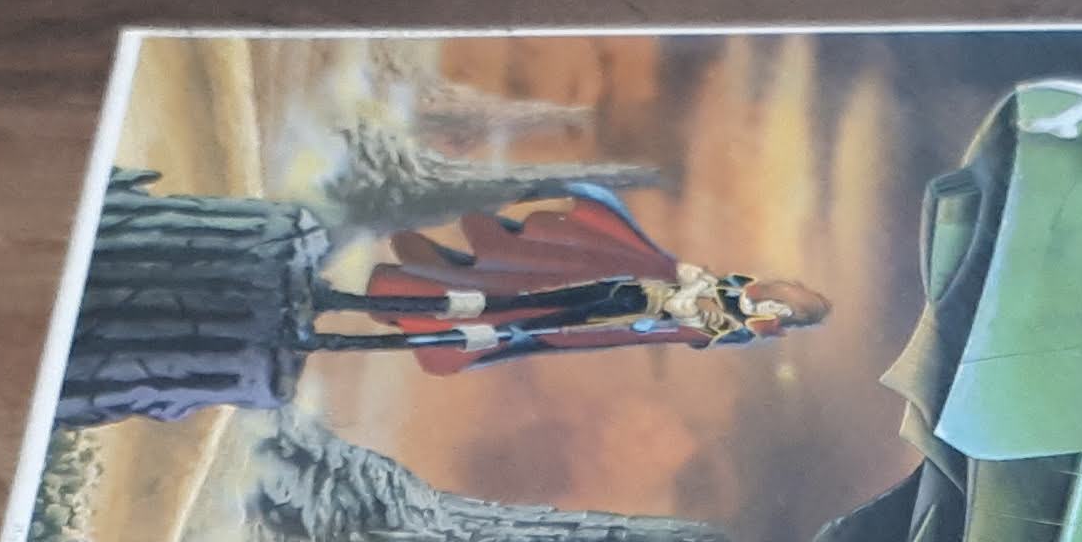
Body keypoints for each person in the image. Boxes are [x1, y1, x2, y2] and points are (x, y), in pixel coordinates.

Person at [307, 185, 828, 371]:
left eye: (789, 303)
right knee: (499, 297)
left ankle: (343, 334)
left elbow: (691, 322)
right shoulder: (735, 289)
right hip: (616, 288)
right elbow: (689, 287)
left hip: (610, 317)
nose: (778, 294)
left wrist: (690, 293)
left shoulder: (743, 328)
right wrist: (687, 280)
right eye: (787, 291)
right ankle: (348, 303)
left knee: (503, 323)